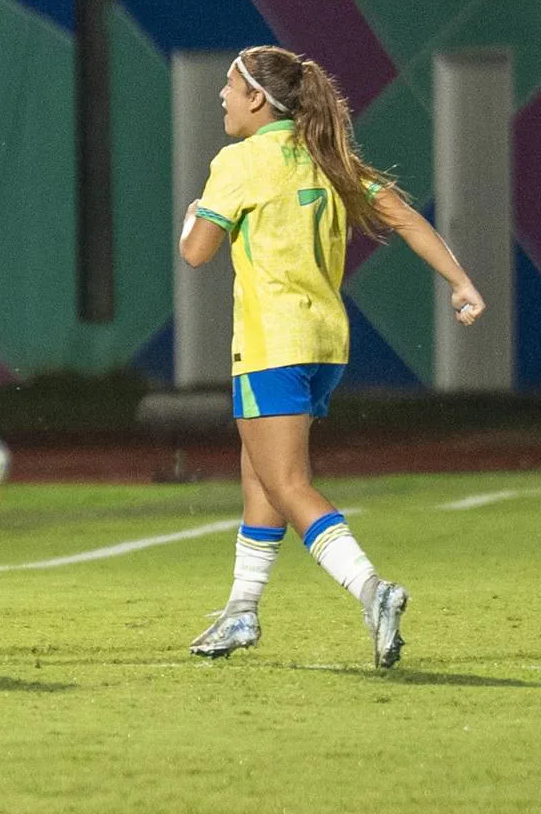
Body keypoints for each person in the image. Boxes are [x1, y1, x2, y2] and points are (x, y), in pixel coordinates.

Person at [178, 46, 483, 669]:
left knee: (287, 484)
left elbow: (197, 253)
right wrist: (461, 281)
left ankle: (372, 591)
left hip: (270, 345)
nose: (222, 97)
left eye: (230, 87)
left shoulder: (238, 161)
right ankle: (240, 611)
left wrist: (191, 220)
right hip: (324, 346)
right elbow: (403, 217)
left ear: (258, 99)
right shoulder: (328, 157)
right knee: (260, 477)